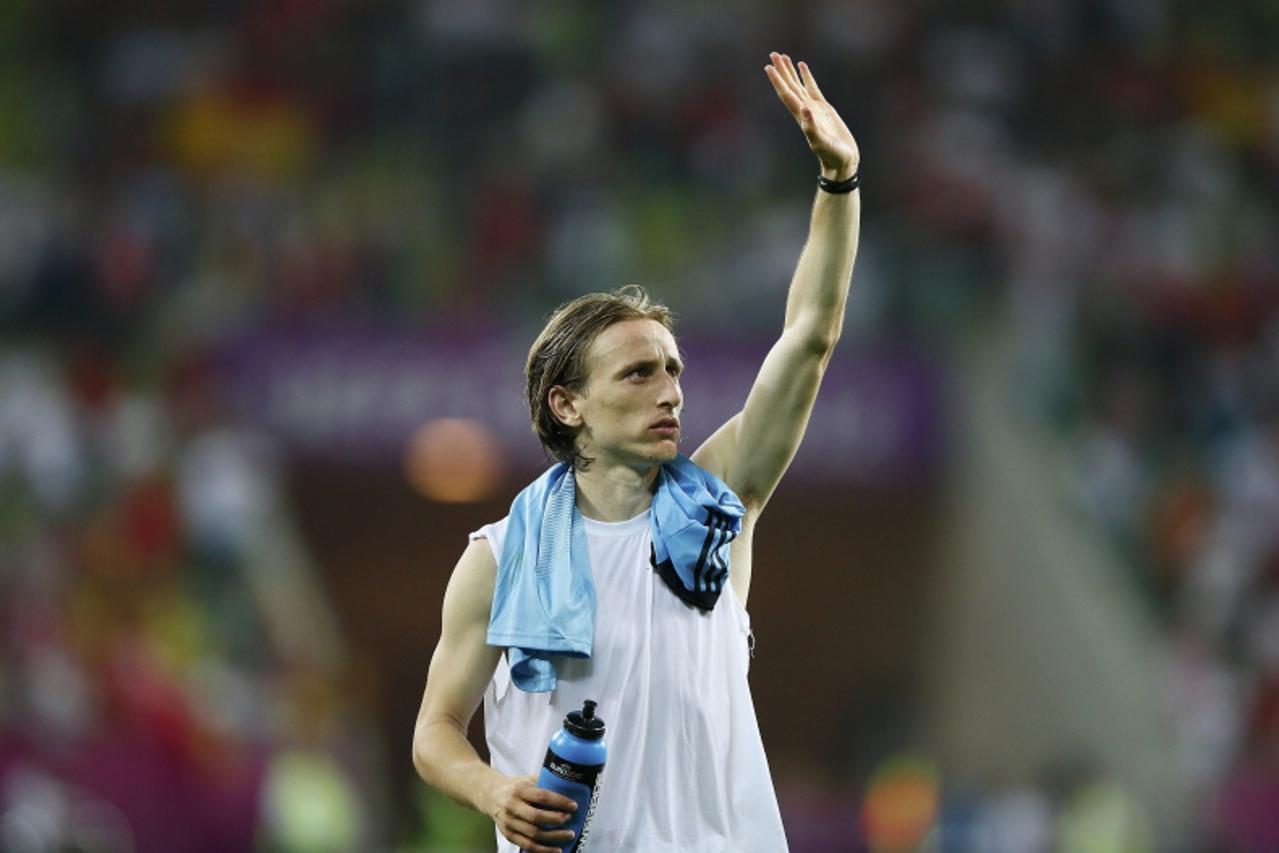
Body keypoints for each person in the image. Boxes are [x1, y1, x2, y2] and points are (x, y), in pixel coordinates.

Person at [411, 51, 860, 852]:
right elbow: (436, 728)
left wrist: (838, 185)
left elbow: (809, 337)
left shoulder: (722, 501)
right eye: (638, 372)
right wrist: (494, 790)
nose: (671, 391)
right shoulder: (498, 556)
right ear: (567, 403)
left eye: (674, 370)